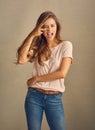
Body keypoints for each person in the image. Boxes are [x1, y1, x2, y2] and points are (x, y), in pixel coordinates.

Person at [17, 11, 73, 130]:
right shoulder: (38, 48)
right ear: (40, 29)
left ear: (57, 26)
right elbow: (21, 59)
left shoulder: (66, 45)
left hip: (54, 98)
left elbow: (62, 73)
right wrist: (32, 35)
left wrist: (37, 78)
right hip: (34, 96)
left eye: (52, 25)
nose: (49, 30)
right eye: (45, 26)